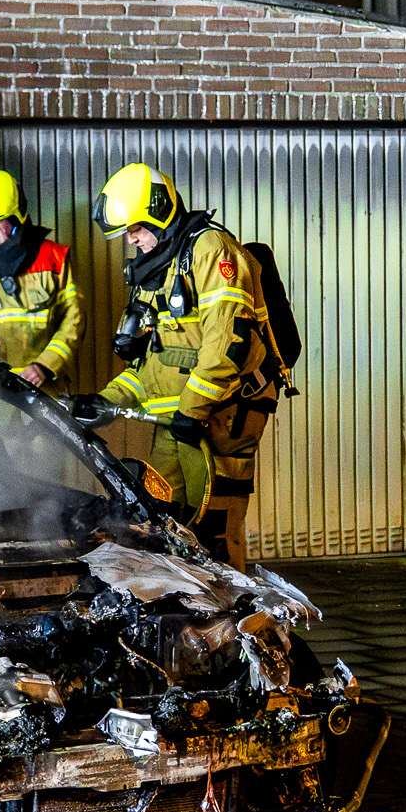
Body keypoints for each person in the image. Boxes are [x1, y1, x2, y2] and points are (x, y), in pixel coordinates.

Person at [70, 163, 281, 569]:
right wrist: (105, 400)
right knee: (164, 520)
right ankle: (187, 616)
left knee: (213, 528)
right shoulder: (159, 269)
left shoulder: (211, 251)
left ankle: (230, 620)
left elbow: (227, 345)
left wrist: (194, 409)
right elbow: (152, 364)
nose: (131, 239)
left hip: (224, 415)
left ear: (159, 210)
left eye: (135, 228)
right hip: (180, 418)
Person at [0, 168, 83, 390]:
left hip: (44, 389)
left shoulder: (55, 258)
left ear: (16, 217)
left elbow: (73, 321)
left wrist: (44, 366)